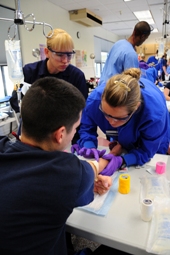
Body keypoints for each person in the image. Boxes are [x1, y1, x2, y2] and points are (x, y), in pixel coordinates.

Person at [0, 76, 130, 255]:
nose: (75, 133)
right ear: (60, 134)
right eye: (76, 128)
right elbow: (95, 167)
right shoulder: (65, 174)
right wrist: (113, 156)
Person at [73, 68, 169, 170]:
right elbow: (86, 128)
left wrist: (123, 161)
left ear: (136, 108)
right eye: (106, 114)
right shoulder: (94, 100)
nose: (110, 122)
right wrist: (89, 145)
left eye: (118, 118)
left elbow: (146, 151)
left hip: (155, 134)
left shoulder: (154, 114)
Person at [20, 28, 88, 144]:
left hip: (65, 134)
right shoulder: (30, 72)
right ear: (46, 52)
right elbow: (24, 106)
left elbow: (82, 111)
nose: (65, 61)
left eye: (69, 55)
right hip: (36, 133)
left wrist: (81, 141)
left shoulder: (77, 76)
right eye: (60, 55)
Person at [98, 21, 152, 86]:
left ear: (134, 31)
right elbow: (132, 84)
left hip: (102, 87)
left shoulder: (118, 44)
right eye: (145, 39)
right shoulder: (131, 54)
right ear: (142, 36)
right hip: (113, 92)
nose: (143, 41)